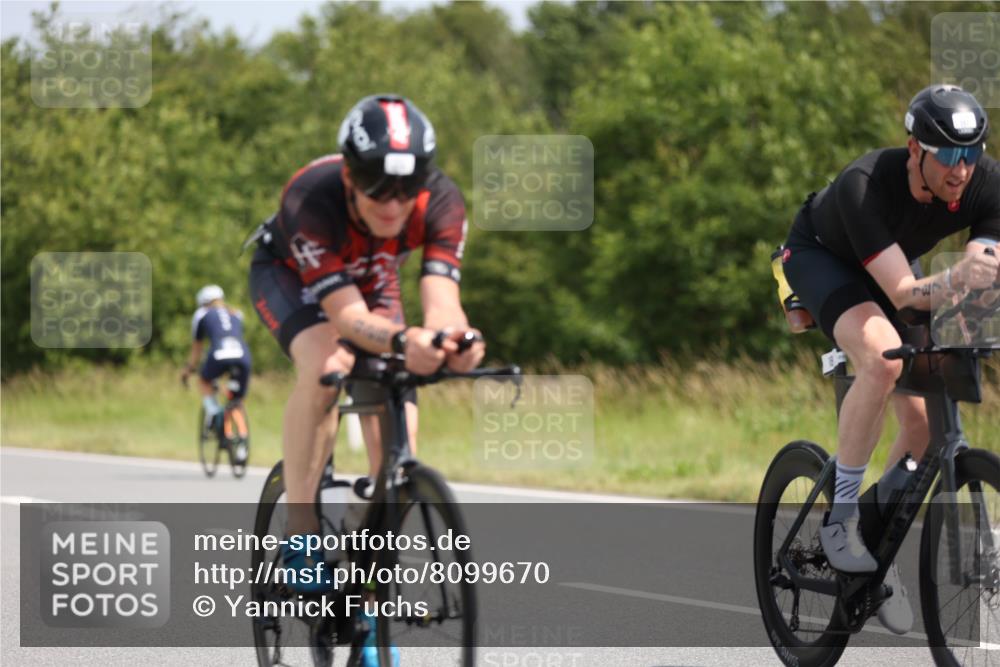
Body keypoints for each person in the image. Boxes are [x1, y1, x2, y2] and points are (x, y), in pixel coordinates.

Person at [248, 94, 483, 612]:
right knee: (329, 364)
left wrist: (456, 340)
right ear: (350, 176)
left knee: (399, 455)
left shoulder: (442, 201)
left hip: (373, 282)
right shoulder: (311, 197)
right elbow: (347, 319)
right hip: (293, 279)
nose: (393, 203)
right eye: (377, 185)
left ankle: (365, 585)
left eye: (407, 187)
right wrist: (403, 340)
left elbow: (443, 300)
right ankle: (302, 535)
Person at [782, 83, 1000, 634]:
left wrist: (975, 283)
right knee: (882, 359)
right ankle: (842, 519)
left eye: (971, 154)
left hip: (899, 264)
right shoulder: (865, 184)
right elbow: (904, 293)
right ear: (914, 149)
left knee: (924, 426)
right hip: (825, 259)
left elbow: (982, 267)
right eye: (947, 155)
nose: (961, 169)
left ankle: (875, 546)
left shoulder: (986, 182)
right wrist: (957, 278)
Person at [182, 285, 253, 462]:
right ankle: (242, 441)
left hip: (219, 355)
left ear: (203, 302)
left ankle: (213, 412)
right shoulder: (236, 313)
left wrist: (188, 369)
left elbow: (197, 348)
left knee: (204, 380)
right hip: (243, 356)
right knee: (236, 401)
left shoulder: (201, 314)